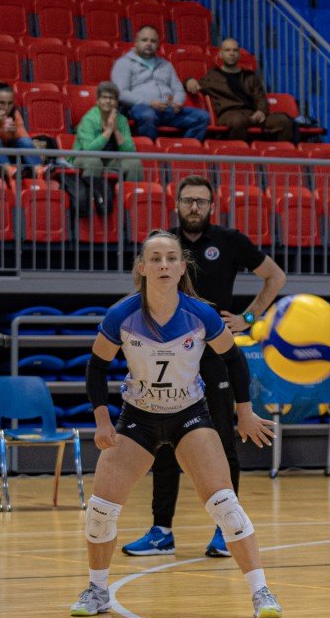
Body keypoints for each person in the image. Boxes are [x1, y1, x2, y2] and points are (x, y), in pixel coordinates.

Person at [71, 231, 282, 618]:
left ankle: (261, 592)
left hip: (189, 414)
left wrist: (245, 412)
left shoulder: (199, 314)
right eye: (155, 259)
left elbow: (235, 360)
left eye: (171, 258)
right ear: (142, 268)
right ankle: (97, 590)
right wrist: (103, 420)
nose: (164, 265)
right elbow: (96, 367)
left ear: (183, 267)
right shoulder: (122, 315)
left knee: (226, 507)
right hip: (138, 418)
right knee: (100, 510)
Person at [120, 176, 287, 558]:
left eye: (201, 201)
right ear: (176, 204)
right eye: (187, 201)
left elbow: (275, 276)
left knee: (223, 444)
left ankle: (225, 531)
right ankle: (161, 531)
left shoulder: (229, 241)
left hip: (213, 358)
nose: (194, 207)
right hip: (169, 357)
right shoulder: (165, 247)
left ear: (213, 206)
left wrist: (249, 316)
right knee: (162, 441)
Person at [184, 38, 296, 144]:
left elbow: (261, 99)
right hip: (229, 114)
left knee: (284, 121)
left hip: (252, 113)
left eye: (235, 50)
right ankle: (237, 156)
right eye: (227, 50)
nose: (232, 53)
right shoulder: (213, 77)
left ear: (239, 54)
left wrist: (261, 112)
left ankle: (279, 158)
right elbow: (192, 84)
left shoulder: (250, 77)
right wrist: (189, 81)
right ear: (221, 54)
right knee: (239, 121)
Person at [111, 25, 210, 142]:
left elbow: (178, 89)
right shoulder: (124, 63)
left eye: (153, 41)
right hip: (140, 108)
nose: (149, 43)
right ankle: (150, 153)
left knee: (203, 117)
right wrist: (150, 103)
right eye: (144, 40)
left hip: (168, 110)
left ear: (158, 45)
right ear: (136, 42)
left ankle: (182, 152)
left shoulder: (166, 65)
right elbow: (121, 93)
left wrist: (178, 102)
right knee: (148, 115)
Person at [72, 80, 143, 213]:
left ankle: (131, 207)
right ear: (98, 101)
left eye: (112, 98)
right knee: (94, 162)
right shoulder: (89, 119)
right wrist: (108, 132)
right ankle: (92, 203)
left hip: (111, 159)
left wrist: (115, 130)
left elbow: (130, 149)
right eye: (104, 97)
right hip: (83, 158)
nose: (108, 101)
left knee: (134, 163)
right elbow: (89, 150)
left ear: (116, 102)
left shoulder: (121, 120)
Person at [0, 83, 38, 176]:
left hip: (7, 149)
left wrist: (15, 132)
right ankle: (9, 170)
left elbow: (25, 137)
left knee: (25, 141)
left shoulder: (15, 113)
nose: (6, 107)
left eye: (10, 103)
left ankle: (38, 168)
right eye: (2, 103)